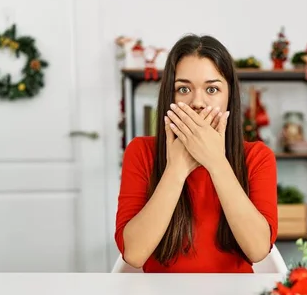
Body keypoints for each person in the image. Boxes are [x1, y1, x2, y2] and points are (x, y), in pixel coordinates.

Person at [115, 34, 278, 273]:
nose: (197, 102)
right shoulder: (141, 152)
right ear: (169, 97)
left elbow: (258, 250)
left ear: (229, 97)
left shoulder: (257, 157)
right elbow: (134, 254)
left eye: (212, 89)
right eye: (183, 89)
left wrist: (216, 162)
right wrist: (176, 169)